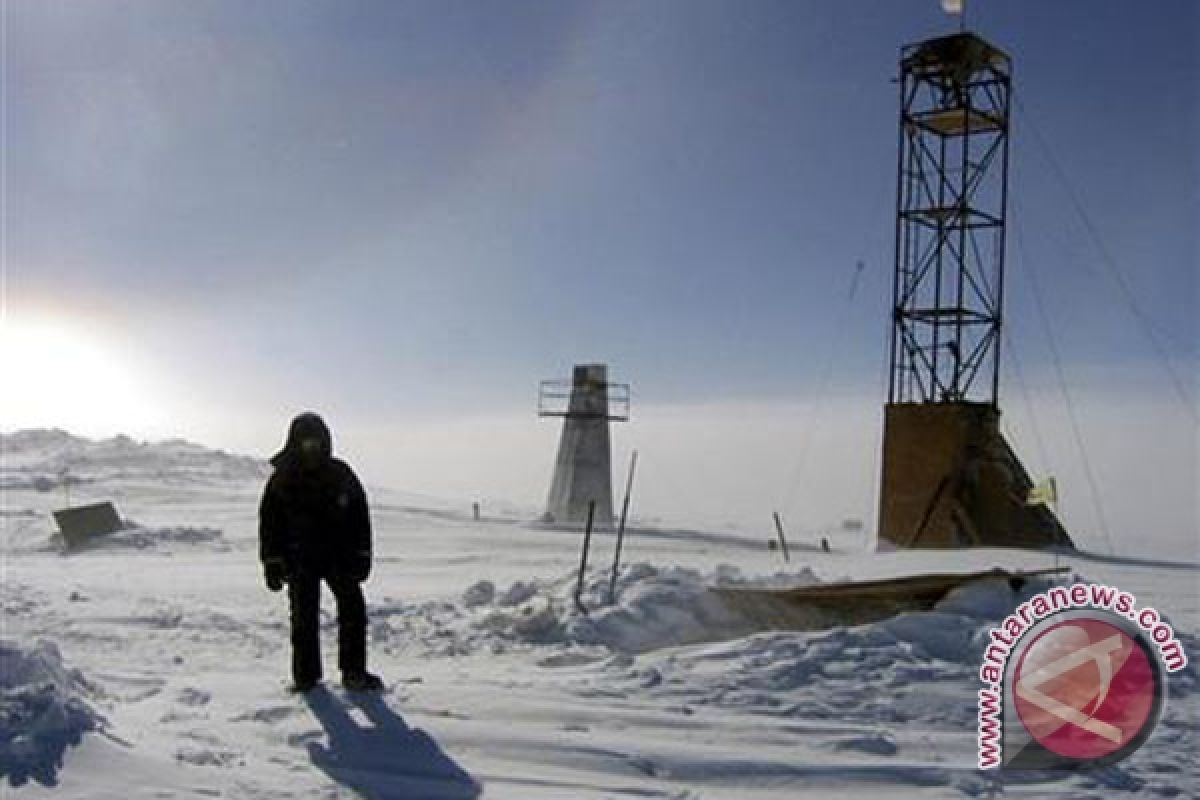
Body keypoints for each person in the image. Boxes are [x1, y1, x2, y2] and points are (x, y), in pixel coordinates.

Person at [259, 412, 382, 693]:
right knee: (303, 617)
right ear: (294, 443)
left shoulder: (341, 474)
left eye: (316, 442)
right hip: (299, 557)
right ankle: (305, 677)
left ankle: (354, 673)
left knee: (353, 611)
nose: (311, 449)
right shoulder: (282, 479)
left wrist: (363, 555)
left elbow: (359, 517)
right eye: (305, 443)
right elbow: (270, 523)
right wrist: (272, 562)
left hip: (339, 557)